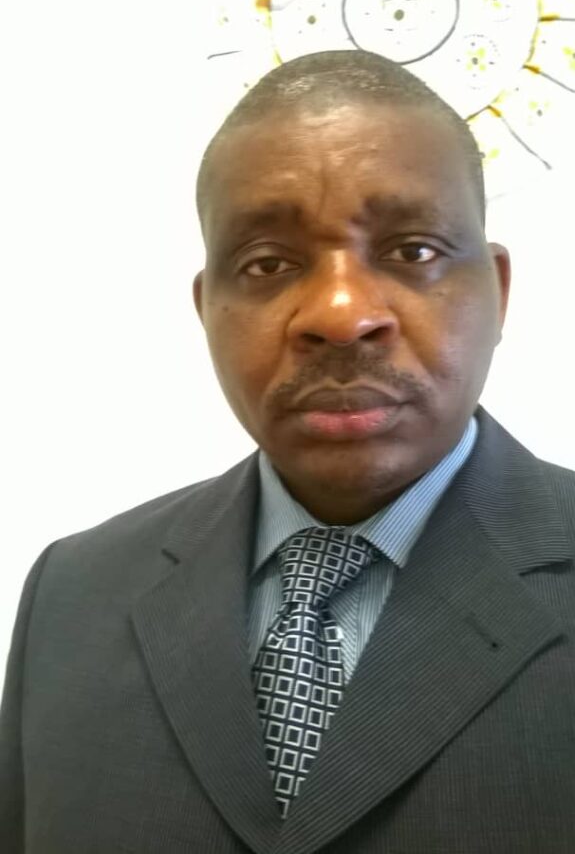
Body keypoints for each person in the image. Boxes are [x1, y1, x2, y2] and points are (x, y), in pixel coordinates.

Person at [1, 50, 574, 854]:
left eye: (412, 251)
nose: (340, 314)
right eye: (267, 264)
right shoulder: (72, 596)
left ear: (498, 290)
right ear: (206, 308)